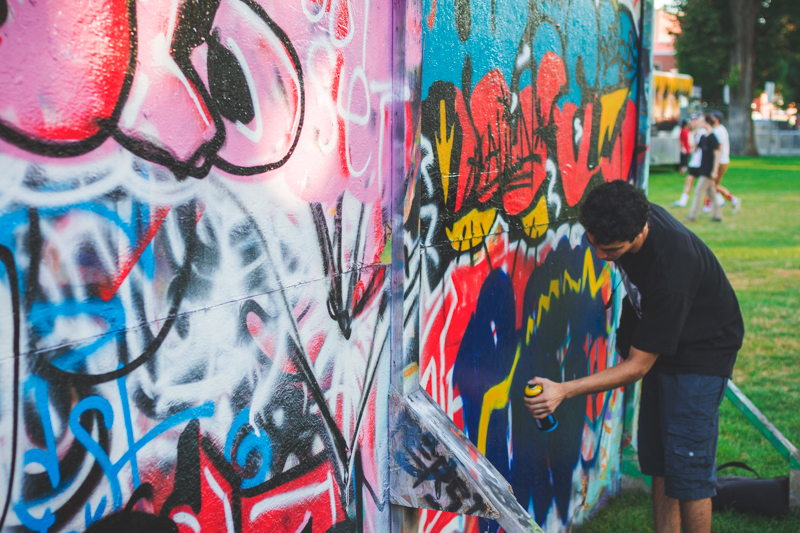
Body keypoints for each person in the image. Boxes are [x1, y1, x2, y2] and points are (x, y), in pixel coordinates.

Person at [526, 180, 743, 533]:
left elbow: (637, 367)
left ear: (641, 231)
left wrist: (563, 390)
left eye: (611, 250)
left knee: (689, 472)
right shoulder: (625, 216)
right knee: (661, 462)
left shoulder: (671, 270)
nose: (601, 255)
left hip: (702, 352)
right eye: (595, 244)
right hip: (668, 339)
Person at [686, 115, 723, 222]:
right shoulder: (703, 136)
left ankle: (692, 216)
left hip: (709, 169)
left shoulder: (713, 137)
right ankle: (717, 216)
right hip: (702, 167)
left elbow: (717, 154)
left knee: (698, 191)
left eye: (701, 121)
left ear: (707, 122)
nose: (699, 123)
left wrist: (715, 170)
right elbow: (694, 149)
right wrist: (694, 135)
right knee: (712, 193)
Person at [708, 111, 742, 214]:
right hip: (720, 160)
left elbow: (719, 147)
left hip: (720, 161)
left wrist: (714, 162)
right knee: (712, 184)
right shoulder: (717, 129)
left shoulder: (719, 130)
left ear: (716, 119)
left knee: (713, 184)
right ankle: (717, 202)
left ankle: (732, 200)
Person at [672, 117, 705, 207]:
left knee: (709, 186)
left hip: (701, 162)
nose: (692, 123)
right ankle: (683, 201)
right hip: (695, 162)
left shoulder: (702, 133)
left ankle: (712, 203)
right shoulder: (695, 132)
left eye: (695, 121)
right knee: (689, 180)